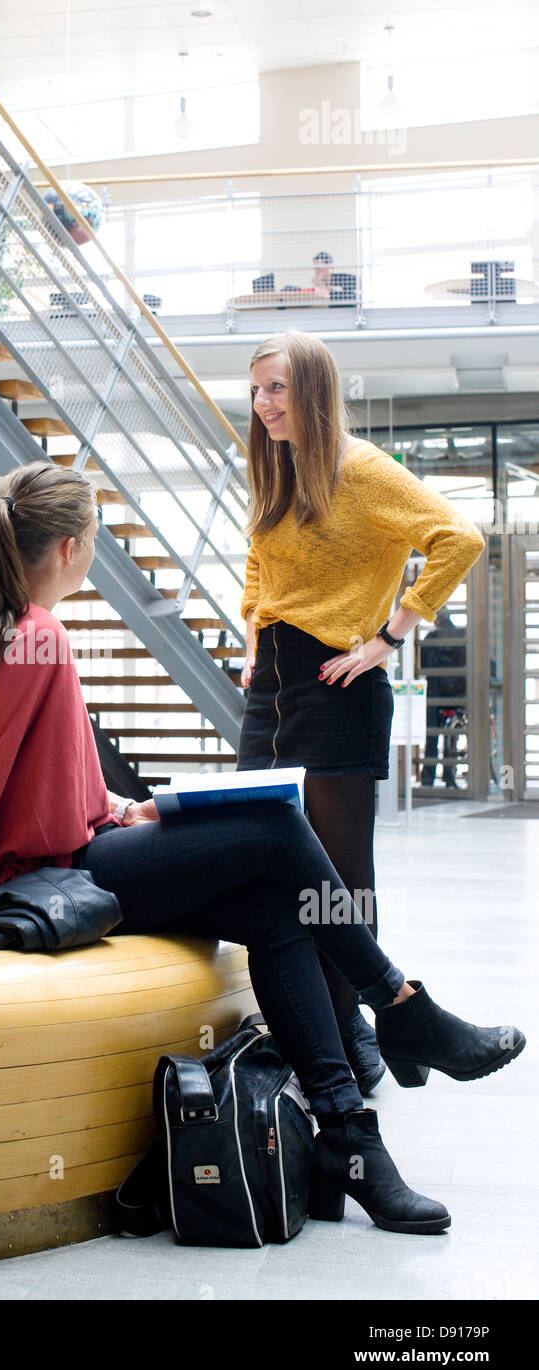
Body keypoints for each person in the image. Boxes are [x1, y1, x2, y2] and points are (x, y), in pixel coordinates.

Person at [0, 461, 524, 1237]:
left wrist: (121, 808)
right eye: (93, 538)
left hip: (83, 849)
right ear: (68, 549)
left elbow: (43, 776)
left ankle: (346, 1139)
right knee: (273, 826)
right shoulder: (33, 638)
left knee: (277, 911)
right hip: (51, 880)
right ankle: (398, 1005)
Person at [238, 330, 486, 1096]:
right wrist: (252, 632)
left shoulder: (362, 469)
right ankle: (322, 1023)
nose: (263, 404)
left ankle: (356, 1029)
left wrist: (388, 637)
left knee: (338, 879)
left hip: (337, 684)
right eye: (255, 391)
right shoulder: (278, 469)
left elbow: (458, 538)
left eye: (276, 388)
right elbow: (258, 564)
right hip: (271, 688)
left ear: (313, 389)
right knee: (272, 861)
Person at [419, 611, 467, 788]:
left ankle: (427, 778)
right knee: (452, 737)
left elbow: (424, 666)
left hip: (434, 695)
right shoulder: (463, 636)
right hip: (457, 696)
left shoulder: (430, 638)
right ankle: (449, 777)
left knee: (431, 738)